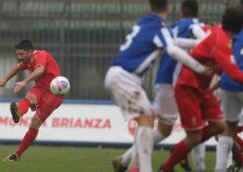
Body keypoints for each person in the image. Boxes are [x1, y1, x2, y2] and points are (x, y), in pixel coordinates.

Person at [104, 0, 212, 171]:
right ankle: (142, 168)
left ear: (149, 7)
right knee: (147, 119)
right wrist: (199, 67)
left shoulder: (146, 23)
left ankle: (133, 165)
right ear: (169, 8)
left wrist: (195, 44)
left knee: (148, 117)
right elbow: (173, 50)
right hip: (126, 77)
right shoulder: (161, 27)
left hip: (121, 75)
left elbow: (174, 41)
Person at [159, 4, 243, 172]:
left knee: (221, 126)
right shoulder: (221, 41)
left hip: (202, 88)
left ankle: (181, 149)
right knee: (196, 136)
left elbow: (223, 68)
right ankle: (167, 166)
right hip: (188, 87)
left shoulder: (220, 34)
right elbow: (231, 71)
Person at [0, 40, 63, 162]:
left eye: (22, 54)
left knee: (34, 123)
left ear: (30, 52)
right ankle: (18, 113)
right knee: (30, 97)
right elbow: (17, 68)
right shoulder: (27, 61)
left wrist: (24, 82)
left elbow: (40, 70)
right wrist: (4, 79)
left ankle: (17, 154)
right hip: (40, 88)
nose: (19, 57)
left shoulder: (41, 55)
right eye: (18, 55)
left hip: (54, 93)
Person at [215, 27, 243, 171]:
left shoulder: (232, 37)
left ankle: (223, 167)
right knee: (225, 130)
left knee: (226, 129)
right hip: (237, 82)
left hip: (228, 84)